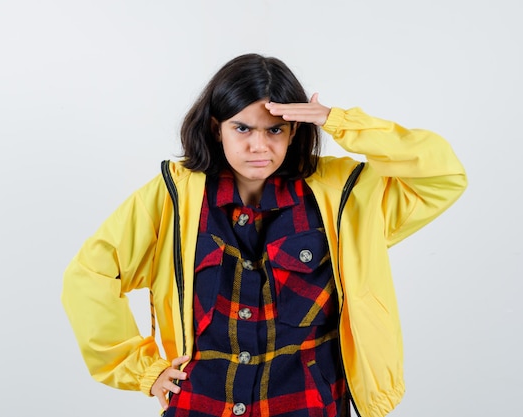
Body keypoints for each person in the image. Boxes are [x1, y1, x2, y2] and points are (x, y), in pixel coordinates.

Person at [61, 53, 467, 417]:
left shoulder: (346, 195)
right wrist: (143, 370)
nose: (259, 146)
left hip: (310, 404)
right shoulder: (172, 196)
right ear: (217, 128)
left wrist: (339, 122)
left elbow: (442, 175)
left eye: (275, 130)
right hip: (203, 404)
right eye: (243, 128)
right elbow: (90, 275)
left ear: (295, 131)